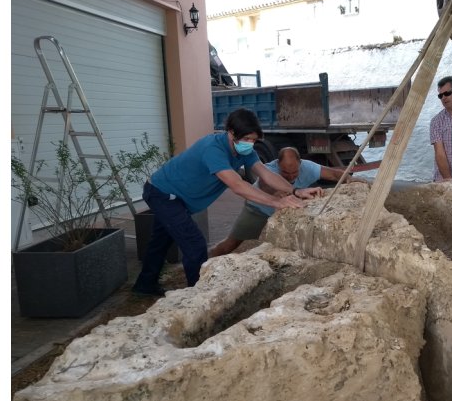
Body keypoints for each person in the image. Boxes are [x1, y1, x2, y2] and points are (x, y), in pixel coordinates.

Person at [132, 108, 322, 295]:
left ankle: (144, 285)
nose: (250, 143)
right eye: (247, 139)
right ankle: (199, 297)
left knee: (160, 241)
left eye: (254, 139)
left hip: (176, 196)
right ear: (231, 133)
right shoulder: (213, 149)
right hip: (163, 193)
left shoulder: (244, 150)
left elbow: (265, 173)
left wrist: (296, 190)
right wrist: (277, 202)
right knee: (195, 245)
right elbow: (237, 185)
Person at [210, 146, 363, 257]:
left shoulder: (308, 167)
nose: (290, 176)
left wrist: (350, 179)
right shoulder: (269, 171)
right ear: (277, 164)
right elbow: (267, 187)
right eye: (285, 172)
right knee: (231, 243)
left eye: (294, 172)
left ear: (300, 163)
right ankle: (204, 263)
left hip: (286, 212)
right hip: (258, 210)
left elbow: (335, 175)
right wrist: (292, 193)